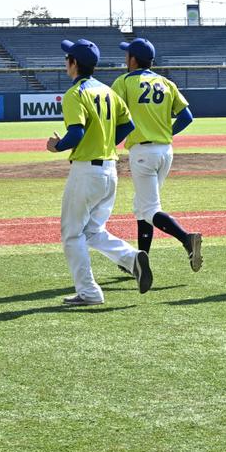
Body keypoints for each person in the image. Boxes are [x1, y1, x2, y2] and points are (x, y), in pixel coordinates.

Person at [47, 39, 151, 305]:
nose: (65, 62)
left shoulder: (75, 94)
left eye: (67, 58)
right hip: (109, 170)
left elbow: (76, 133)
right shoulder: (108, 91)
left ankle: (89, 292)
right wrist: (104, 142)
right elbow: (127, 125)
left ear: (74, 63)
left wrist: (57, 146)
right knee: (92, 230)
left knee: (72, 234)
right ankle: (131, 258)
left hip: (86, 172)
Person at [110, 38, 203, 272]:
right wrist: (166, 132)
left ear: (133, 59)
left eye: (127, 55)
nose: (125, 58)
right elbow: (187, 117)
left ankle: (187, 239)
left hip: (143, 152)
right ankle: (140, 262)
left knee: (150, 209)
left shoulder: (124, 82)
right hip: (165, 152)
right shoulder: (166, 82)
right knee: (142, 207)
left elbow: (112, 115)